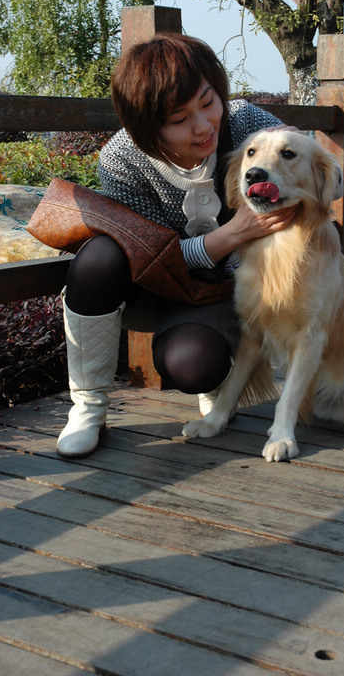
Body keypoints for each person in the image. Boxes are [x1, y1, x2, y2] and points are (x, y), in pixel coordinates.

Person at [56, 32, 297, 458]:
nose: (204, 125)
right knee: (98, 258)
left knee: (193, 365)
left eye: (208, 102)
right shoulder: (122, 160)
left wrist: (295, 170)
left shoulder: (245, 123)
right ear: (147, 127)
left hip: (222, 295)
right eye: (179, 118)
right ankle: (88, 407)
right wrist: (231, 235)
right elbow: (147, 257)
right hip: (151, 285)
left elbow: (325, 175)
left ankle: (220, 374)